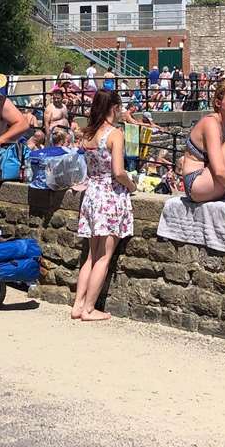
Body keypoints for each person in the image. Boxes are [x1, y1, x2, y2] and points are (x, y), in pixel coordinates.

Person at [73, 89, 134, 322]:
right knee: (104, 257)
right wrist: (132, 185)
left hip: (92, 194)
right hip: (109, 196)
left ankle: (78, 305)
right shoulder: (114, 134)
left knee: (91, 254)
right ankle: (89, 309)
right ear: (115, 108)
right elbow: (118, 171)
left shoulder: (87, 134)